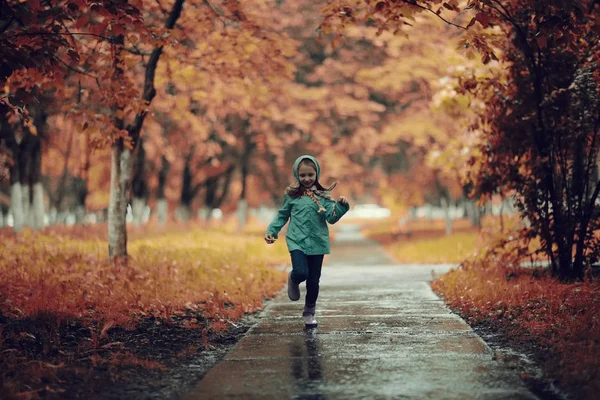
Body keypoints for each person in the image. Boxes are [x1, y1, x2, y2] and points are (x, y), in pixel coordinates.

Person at [265, 155, 350, 328]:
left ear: (316, 174)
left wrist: (341, 206)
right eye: (302, 175)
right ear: (297, 175)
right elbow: (282, 215)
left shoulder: (323, 196)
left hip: (318, 242)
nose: (306, 178)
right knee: (301, 272)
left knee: (313, 280)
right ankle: (294, 278)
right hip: (296, 239)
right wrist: (272, 231)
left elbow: (331, 218)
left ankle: (309, 311)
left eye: (310, 174)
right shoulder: (291, 195)